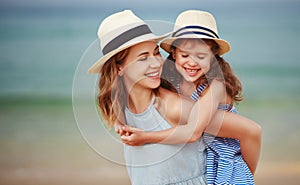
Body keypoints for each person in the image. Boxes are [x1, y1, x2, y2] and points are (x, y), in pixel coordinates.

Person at [120, 10, 262, 185]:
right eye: (185, 55)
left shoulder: (215, 87)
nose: (192, 63)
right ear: (173, 53)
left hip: (228, 167)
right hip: (205, 162)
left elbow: (193, 132)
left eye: (201, 56)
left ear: (214, 57)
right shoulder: (173, 81)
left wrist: (245, 172)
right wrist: (119, 123)